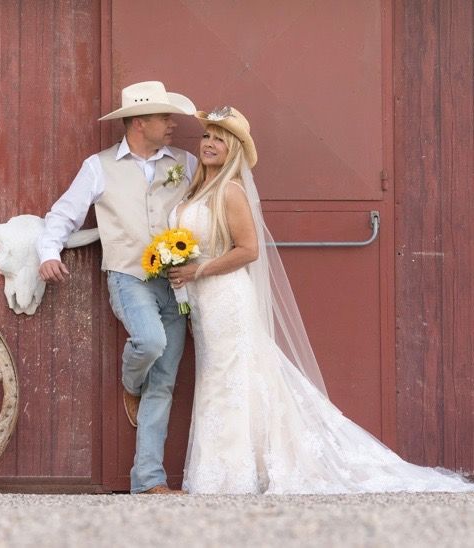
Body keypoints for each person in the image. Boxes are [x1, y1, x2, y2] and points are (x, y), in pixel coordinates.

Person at [168, 106, 474, 494]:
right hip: (202, 304)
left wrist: (198, 270)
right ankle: (227, 467)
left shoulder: (230, 192)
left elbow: (249, 250)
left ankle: (233, 474)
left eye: (220, 140)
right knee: (218, 376)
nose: (210, 144)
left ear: (234, 152)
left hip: (227, 298)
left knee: (231, 376)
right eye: (207, 136)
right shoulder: (196, 190)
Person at [37, 81, 198, 495]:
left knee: (164, 382)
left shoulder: (186, 162)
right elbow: (63, 214)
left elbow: (206, 210)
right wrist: (48, 253)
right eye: (165, 117)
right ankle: (131, 384)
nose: (172, 124)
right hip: (128, 276)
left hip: (177, 282)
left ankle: (148, 481)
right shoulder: (98, 166)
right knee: (148, 341)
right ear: (140, 122)